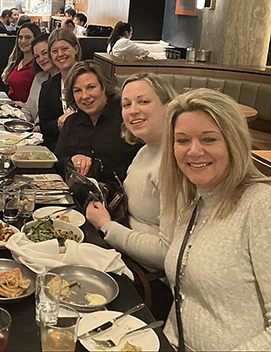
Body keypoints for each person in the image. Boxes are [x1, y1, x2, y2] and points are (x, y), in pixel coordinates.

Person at [158, 89, 271, 350]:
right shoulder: (193, 202)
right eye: (182, 140)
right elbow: (185, 297)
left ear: (234, 142)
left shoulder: (260, 205)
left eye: (209, 139)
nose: (194, 151)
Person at [85, 73, 177, 320]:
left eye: (143, 102)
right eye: (126, 104)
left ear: (169, 106)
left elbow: (166, 253)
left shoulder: (173, 162)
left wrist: (107, 227)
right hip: (123, 253)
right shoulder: (146, 150)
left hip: (148, 282)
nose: (133, 110)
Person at [54, 60, 141, 182]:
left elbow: (134, 164)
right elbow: (57, 163)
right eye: (77, 90)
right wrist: (72, 160)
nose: (84, 96)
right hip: (79, 195)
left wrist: (95, 166)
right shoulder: (72, 122)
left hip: (120, 194)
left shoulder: (125, 116)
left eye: (91, 87)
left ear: (104, 87)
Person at [38, 28, 82, 151]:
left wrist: (72, 120)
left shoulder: (90, 78)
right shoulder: (47, 86)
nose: (60, 54)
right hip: (58, 149)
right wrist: (59, 124)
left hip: (86, 147)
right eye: (54, 51)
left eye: (65, 49)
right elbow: (45, 125)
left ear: (76, 49)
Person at [21, 34, 59, 125]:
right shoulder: (39, 77)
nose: (41, 59)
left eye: (44, 53)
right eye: (37, 56)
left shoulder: (64, 81)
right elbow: (28, 109)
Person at [1, 23, 41, 105]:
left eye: (28, 38)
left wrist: (25, 106)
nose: (23, 41)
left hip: (26, 112)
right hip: (10, 109)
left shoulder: (39, 64)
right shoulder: (16, 61)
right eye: (20, 37)